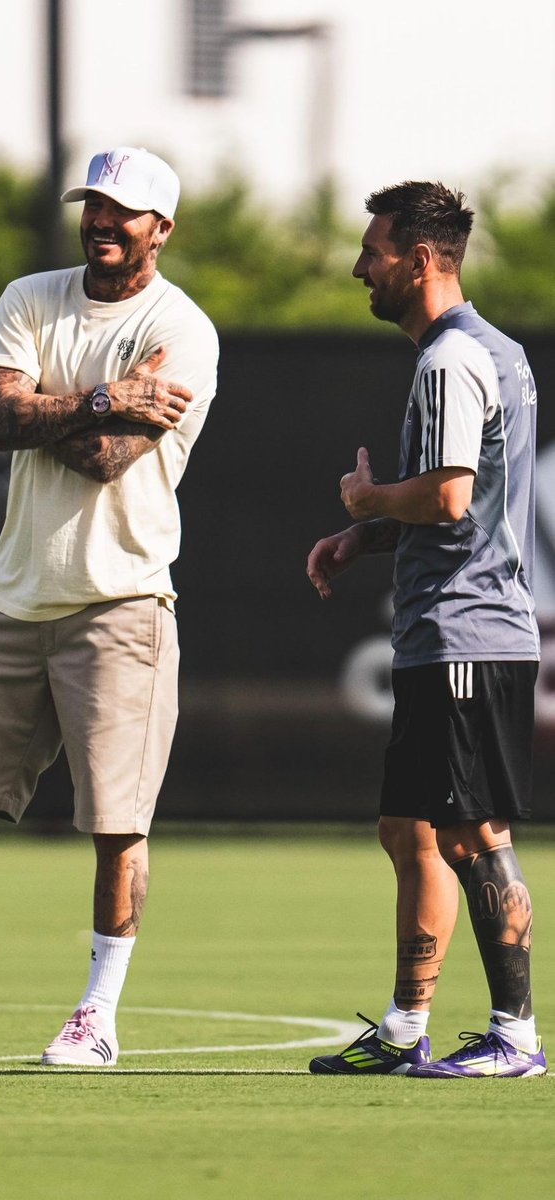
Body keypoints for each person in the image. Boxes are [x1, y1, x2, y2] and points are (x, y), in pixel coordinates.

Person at [0, 146, 219, 1066]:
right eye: (94, 207)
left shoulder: (184, 329)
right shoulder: (29, 296)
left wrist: (50, 404)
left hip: (120, 601)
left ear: (162, 227)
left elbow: (107, 459)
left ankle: (97, 1016)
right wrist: (110, 395)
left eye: (124, 212)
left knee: (117, 825)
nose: (103, 224)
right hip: (11, 598)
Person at [306, 181, 545, 1078]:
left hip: (465, 634)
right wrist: (362, 533)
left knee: (472, 834)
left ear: (417, 257)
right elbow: (470, 496)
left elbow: (446, 500)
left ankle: (515, 1037)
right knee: (409, 828)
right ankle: (407, 1028)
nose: (360, 267)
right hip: (451, 631)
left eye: (372, 251)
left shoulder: (448, 360)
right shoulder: (498, 351)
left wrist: (367, 497)